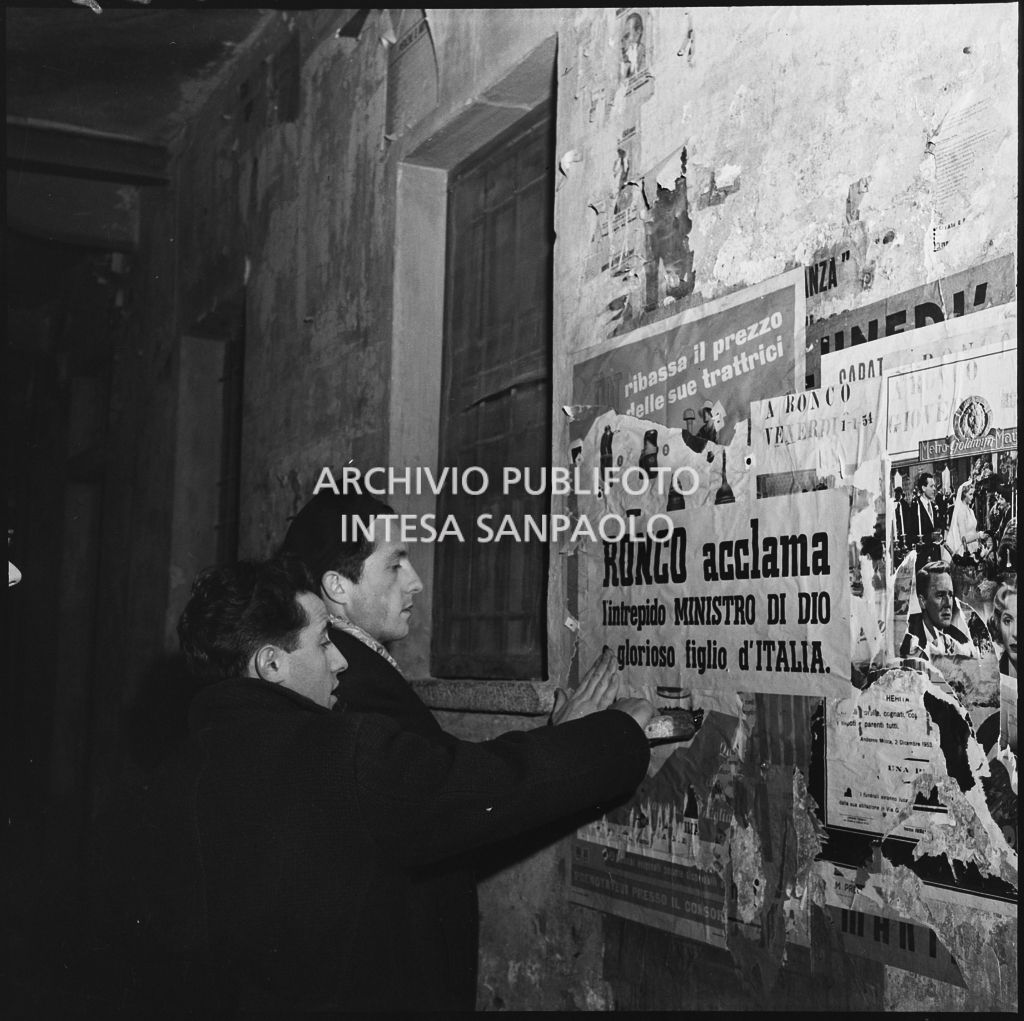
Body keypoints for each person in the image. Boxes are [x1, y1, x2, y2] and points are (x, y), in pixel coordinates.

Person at [126, 555, 654, 1012]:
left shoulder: (168, 779)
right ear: (271, 664)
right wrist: (617, 733)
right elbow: (488, 788)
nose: (338, 662)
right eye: (322, 642)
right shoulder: (335, 753)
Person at [899, 560, 979, 661]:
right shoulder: (906, 639)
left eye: (950, 595)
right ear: (922, 601)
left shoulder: (961, 640)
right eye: (940, 595)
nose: (947, 603)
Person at [942, 479, 982, 562]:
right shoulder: (961, 513)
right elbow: (964, 539)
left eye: (973, 494)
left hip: (974, 546)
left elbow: (973, 530)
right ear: (964, 495)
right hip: (965, 549)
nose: (972, 497)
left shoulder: (971, 511)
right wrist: (979, 535)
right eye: (970, 494)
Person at [910, 472, 942, 562]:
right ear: (923, 488)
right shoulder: (915, 507)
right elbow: (912, 535)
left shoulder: (932, 505)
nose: (934, 489)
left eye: (934, 486)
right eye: (931, 486)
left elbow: (937, 524)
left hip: (935, 554)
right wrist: (930, 537)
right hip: (923, 556)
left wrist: (939, 531)